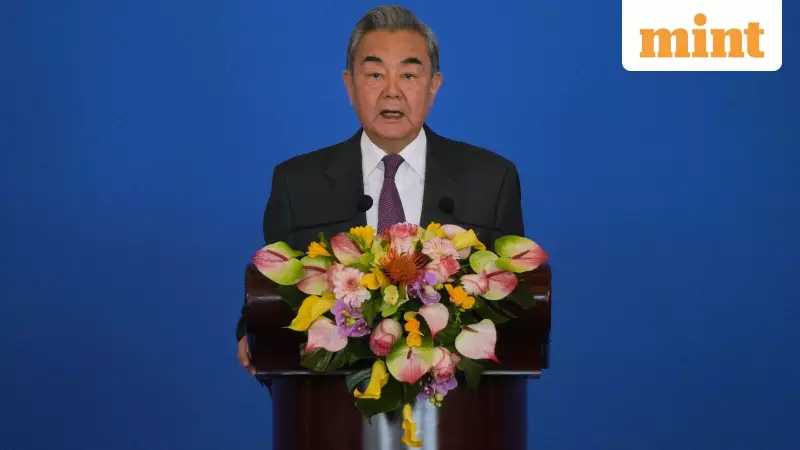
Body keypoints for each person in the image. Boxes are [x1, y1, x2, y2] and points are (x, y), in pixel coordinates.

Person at [236, 5, 525, 376]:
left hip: (454, 404)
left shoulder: (490, 180)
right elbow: (270, 303)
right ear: (349, 85)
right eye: (375, 74)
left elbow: (515, 308)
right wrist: (253, 337)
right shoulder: (298, 183)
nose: (392, 92)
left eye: (409, 75)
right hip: (330, 401)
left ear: (433, 86)